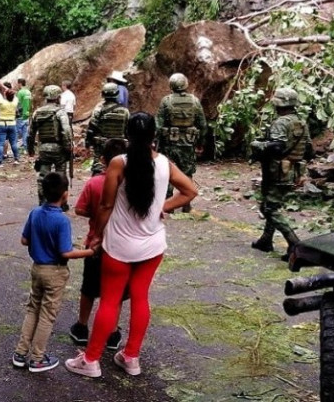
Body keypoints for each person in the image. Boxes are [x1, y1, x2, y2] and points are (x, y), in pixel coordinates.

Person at [64, 113, 197, 378]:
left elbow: (105, 205)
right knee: (140, 298)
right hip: (153, 245)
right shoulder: (164, 164)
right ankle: (131, 357)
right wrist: (163, 207)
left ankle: (90, 360)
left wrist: (96, 236)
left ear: (128, 135)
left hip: (119, 246)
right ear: (154, 136)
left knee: (110, 301)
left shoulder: (118, 163)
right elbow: (191, 191)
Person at [12, 172, 94, 373]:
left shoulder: (35, 213)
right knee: (47, 315)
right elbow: (65, 252)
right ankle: (38, 358)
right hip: (55, 272)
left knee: (33, 309)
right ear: (65, 195)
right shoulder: (62, 221)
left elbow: (24, 240)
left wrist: (39, 241)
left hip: (37, 268)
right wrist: (91, 251)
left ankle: (20, 353)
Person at [70, 138, 128, 350]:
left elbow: (79, 209)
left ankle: (82, 327)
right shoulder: (130, 183)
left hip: (95, 245)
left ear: (103, 160)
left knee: (89, 288)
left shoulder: (94, 183)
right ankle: (112, 333)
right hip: (123, 246)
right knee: (117, 292)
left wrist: (95, 212)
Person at [250, 87, 312, 261]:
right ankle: (266, 240)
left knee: (269, 209)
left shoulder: (281, 123)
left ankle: (295, 245)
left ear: (279, 104)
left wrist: (258, 145)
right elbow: (309, 150)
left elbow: (276, 147)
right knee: (272, 203)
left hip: (277, 172)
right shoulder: (301, 122)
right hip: (292, 172)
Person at [156, 73, 206, 209]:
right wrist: (200, 143)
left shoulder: (166, 101)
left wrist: (156, 144)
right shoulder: (195, 101)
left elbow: (158, 126)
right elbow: (202, 124)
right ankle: (186, 204)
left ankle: (169, 204)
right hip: (188, 144)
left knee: (168, 172)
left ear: (171, 85)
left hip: (169, 144)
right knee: (187, 172)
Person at [27, 85, 73, 206]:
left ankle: (42, 201)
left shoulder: (37, 112)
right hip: (59, 149)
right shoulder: (61, 112)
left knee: (43, 176)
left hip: (43, 149)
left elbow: (31, 133)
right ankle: (62, 203)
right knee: (61, 176)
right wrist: (68, 147)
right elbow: (66, 131)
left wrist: (30, 149)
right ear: (57, 97)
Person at [85, 83, 129, 175]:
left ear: (103, 95)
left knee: (98, 168)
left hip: (102, 145)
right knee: (120, 168)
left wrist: (88, 144)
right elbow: (128, 130)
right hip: (119, 146)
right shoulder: (125, 111)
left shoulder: (98, 110)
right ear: (117, 94)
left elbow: (91, 129)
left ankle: (96, 186)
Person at [0, 88, 20, 167]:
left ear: (5, 95)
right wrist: (6, 88)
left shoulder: (2, 102)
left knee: (0, 144)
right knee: (14, 143)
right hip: (12, 123)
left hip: (2, 123)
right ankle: (16, 159)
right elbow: (15, 96)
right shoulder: (15, 102)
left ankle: (0, 162)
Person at [16, 78, 32, 150]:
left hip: (20, 114)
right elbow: (30, 102)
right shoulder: (28, 92)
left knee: (17, 132)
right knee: (25, 132)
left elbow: (17, 103)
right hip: (27, 114)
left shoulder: (20, 92)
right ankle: (26, 148)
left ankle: (17, 148)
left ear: (19, 83)